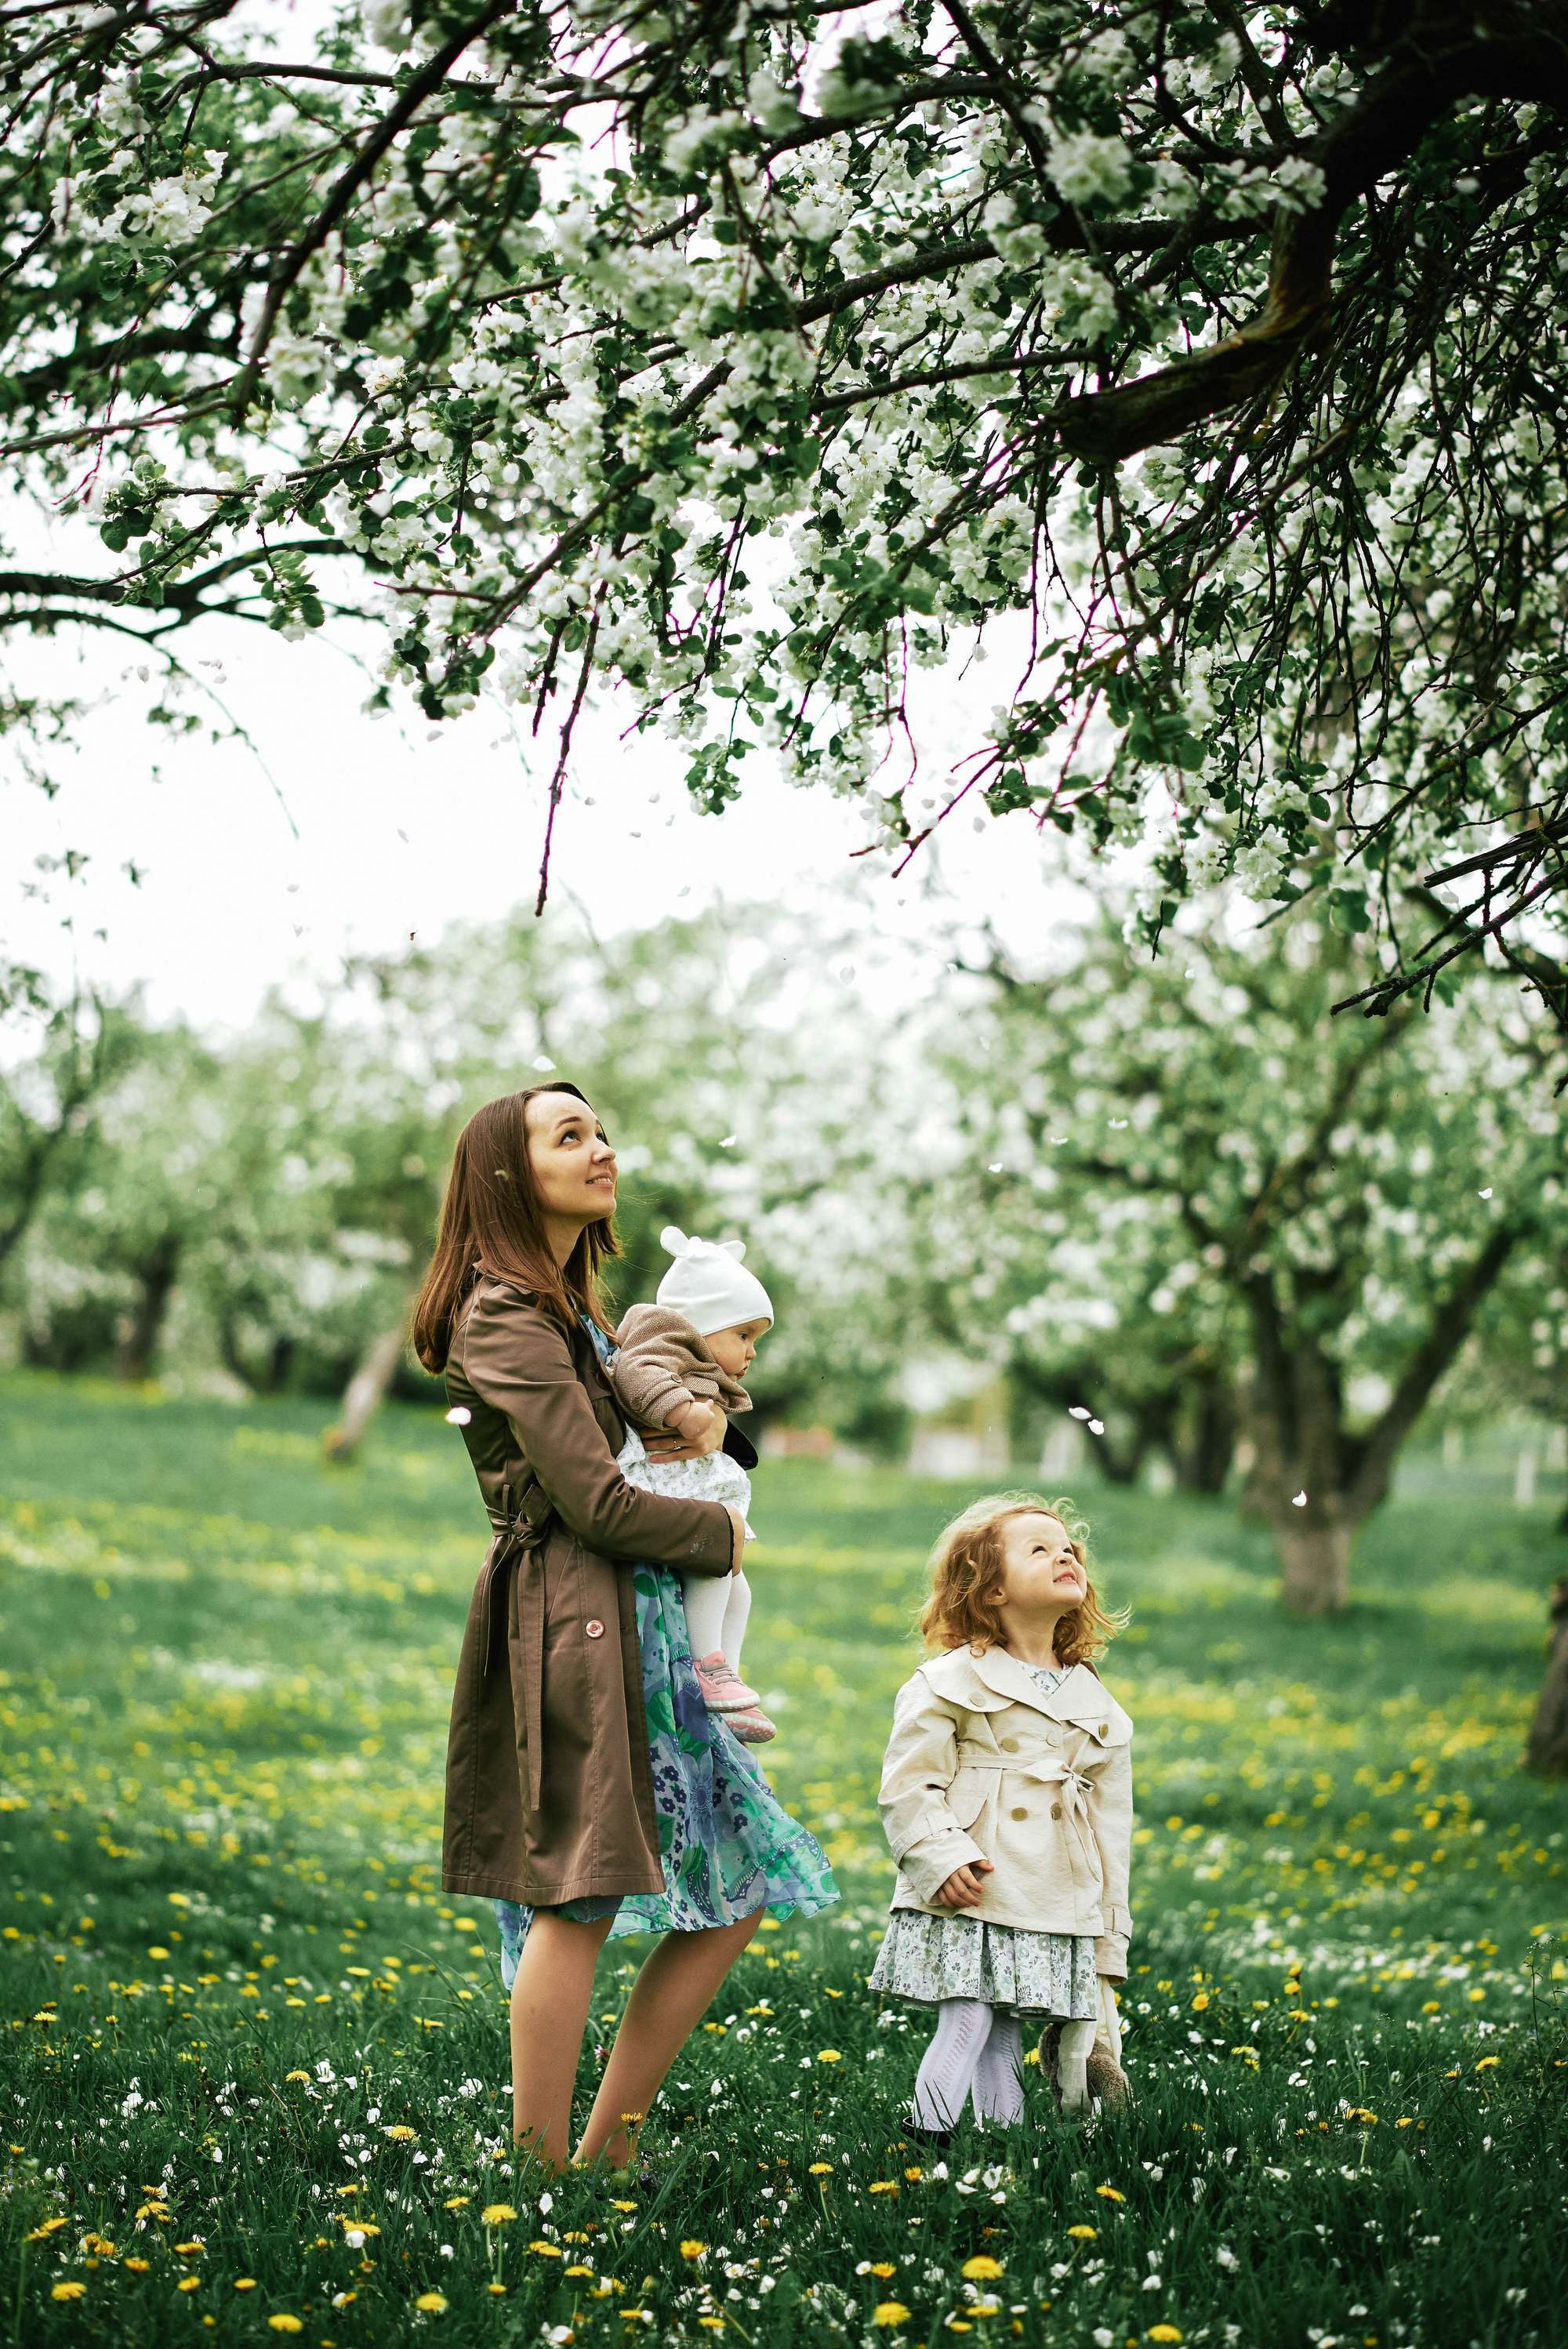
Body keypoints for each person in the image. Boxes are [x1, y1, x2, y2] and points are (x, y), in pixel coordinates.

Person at [412, 1084, 837, 2171]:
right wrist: (718, 1538)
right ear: (512, 1175)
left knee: (737, 1883)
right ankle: (540, 2165)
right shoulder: (502, 1316)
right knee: (580, 1892)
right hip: (570, 1616)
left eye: (599, 1130)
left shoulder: (574, 1309)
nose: (600, 1148)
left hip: (638, 1623)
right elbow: (592, 1502)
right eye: (570, 1136)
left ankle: (608, 2149)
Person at [869, 1492, 1133, 2135]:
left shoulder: (1090, 1696)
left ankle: (1000, 2148)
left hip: (1049, 1887)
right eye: (1037, 1549)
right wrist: (939, 1856)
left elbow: (1110, 1821)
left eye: (1067, 1547)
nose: (1063, 1555)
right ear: (989, 1590)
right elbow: (908, 1784)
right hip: (974, 1877)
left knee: (1006, 2021)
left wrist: (1108, 1926)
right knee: (969, 2014)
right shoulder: (951, 1680)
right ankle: (928, 2133)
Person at [608, 1225, 775, 1741]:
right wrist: (685, 1412)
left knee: (738, 1589)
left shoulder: (694, 1360)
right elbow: (635, 1372)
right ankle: (708, 1666)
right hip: (661, 1481)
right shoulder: (666, 1343)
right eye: (743, 1335)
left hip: (687, 1487)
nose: (751, 1352)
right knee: (714, 1566)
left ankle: (728, 1681)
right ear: (701, 1324)